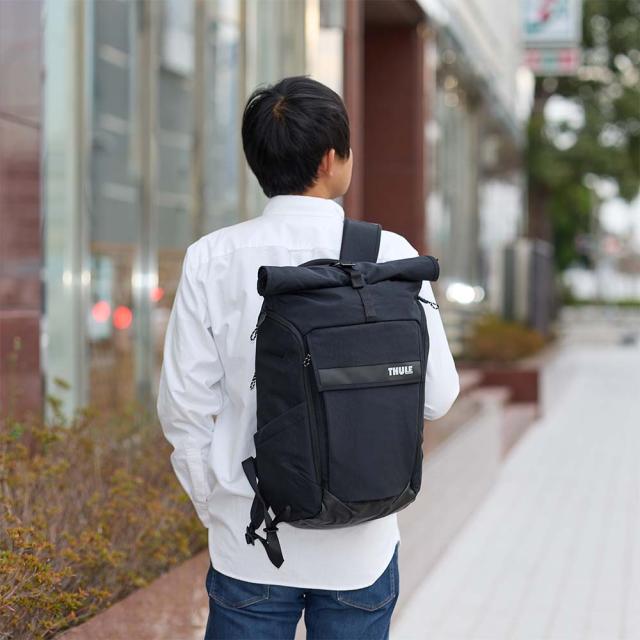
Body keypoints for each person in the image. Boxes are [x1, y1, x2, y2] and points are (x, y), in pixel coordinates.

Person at [157, 75, 460, 640]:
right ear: (330, 160)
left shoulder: (211, 258)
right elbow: (439, 398)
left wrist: (216, 506)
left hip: (249, 541)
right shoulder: (390, 255)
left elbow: (184, 409)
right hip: (360, 546)